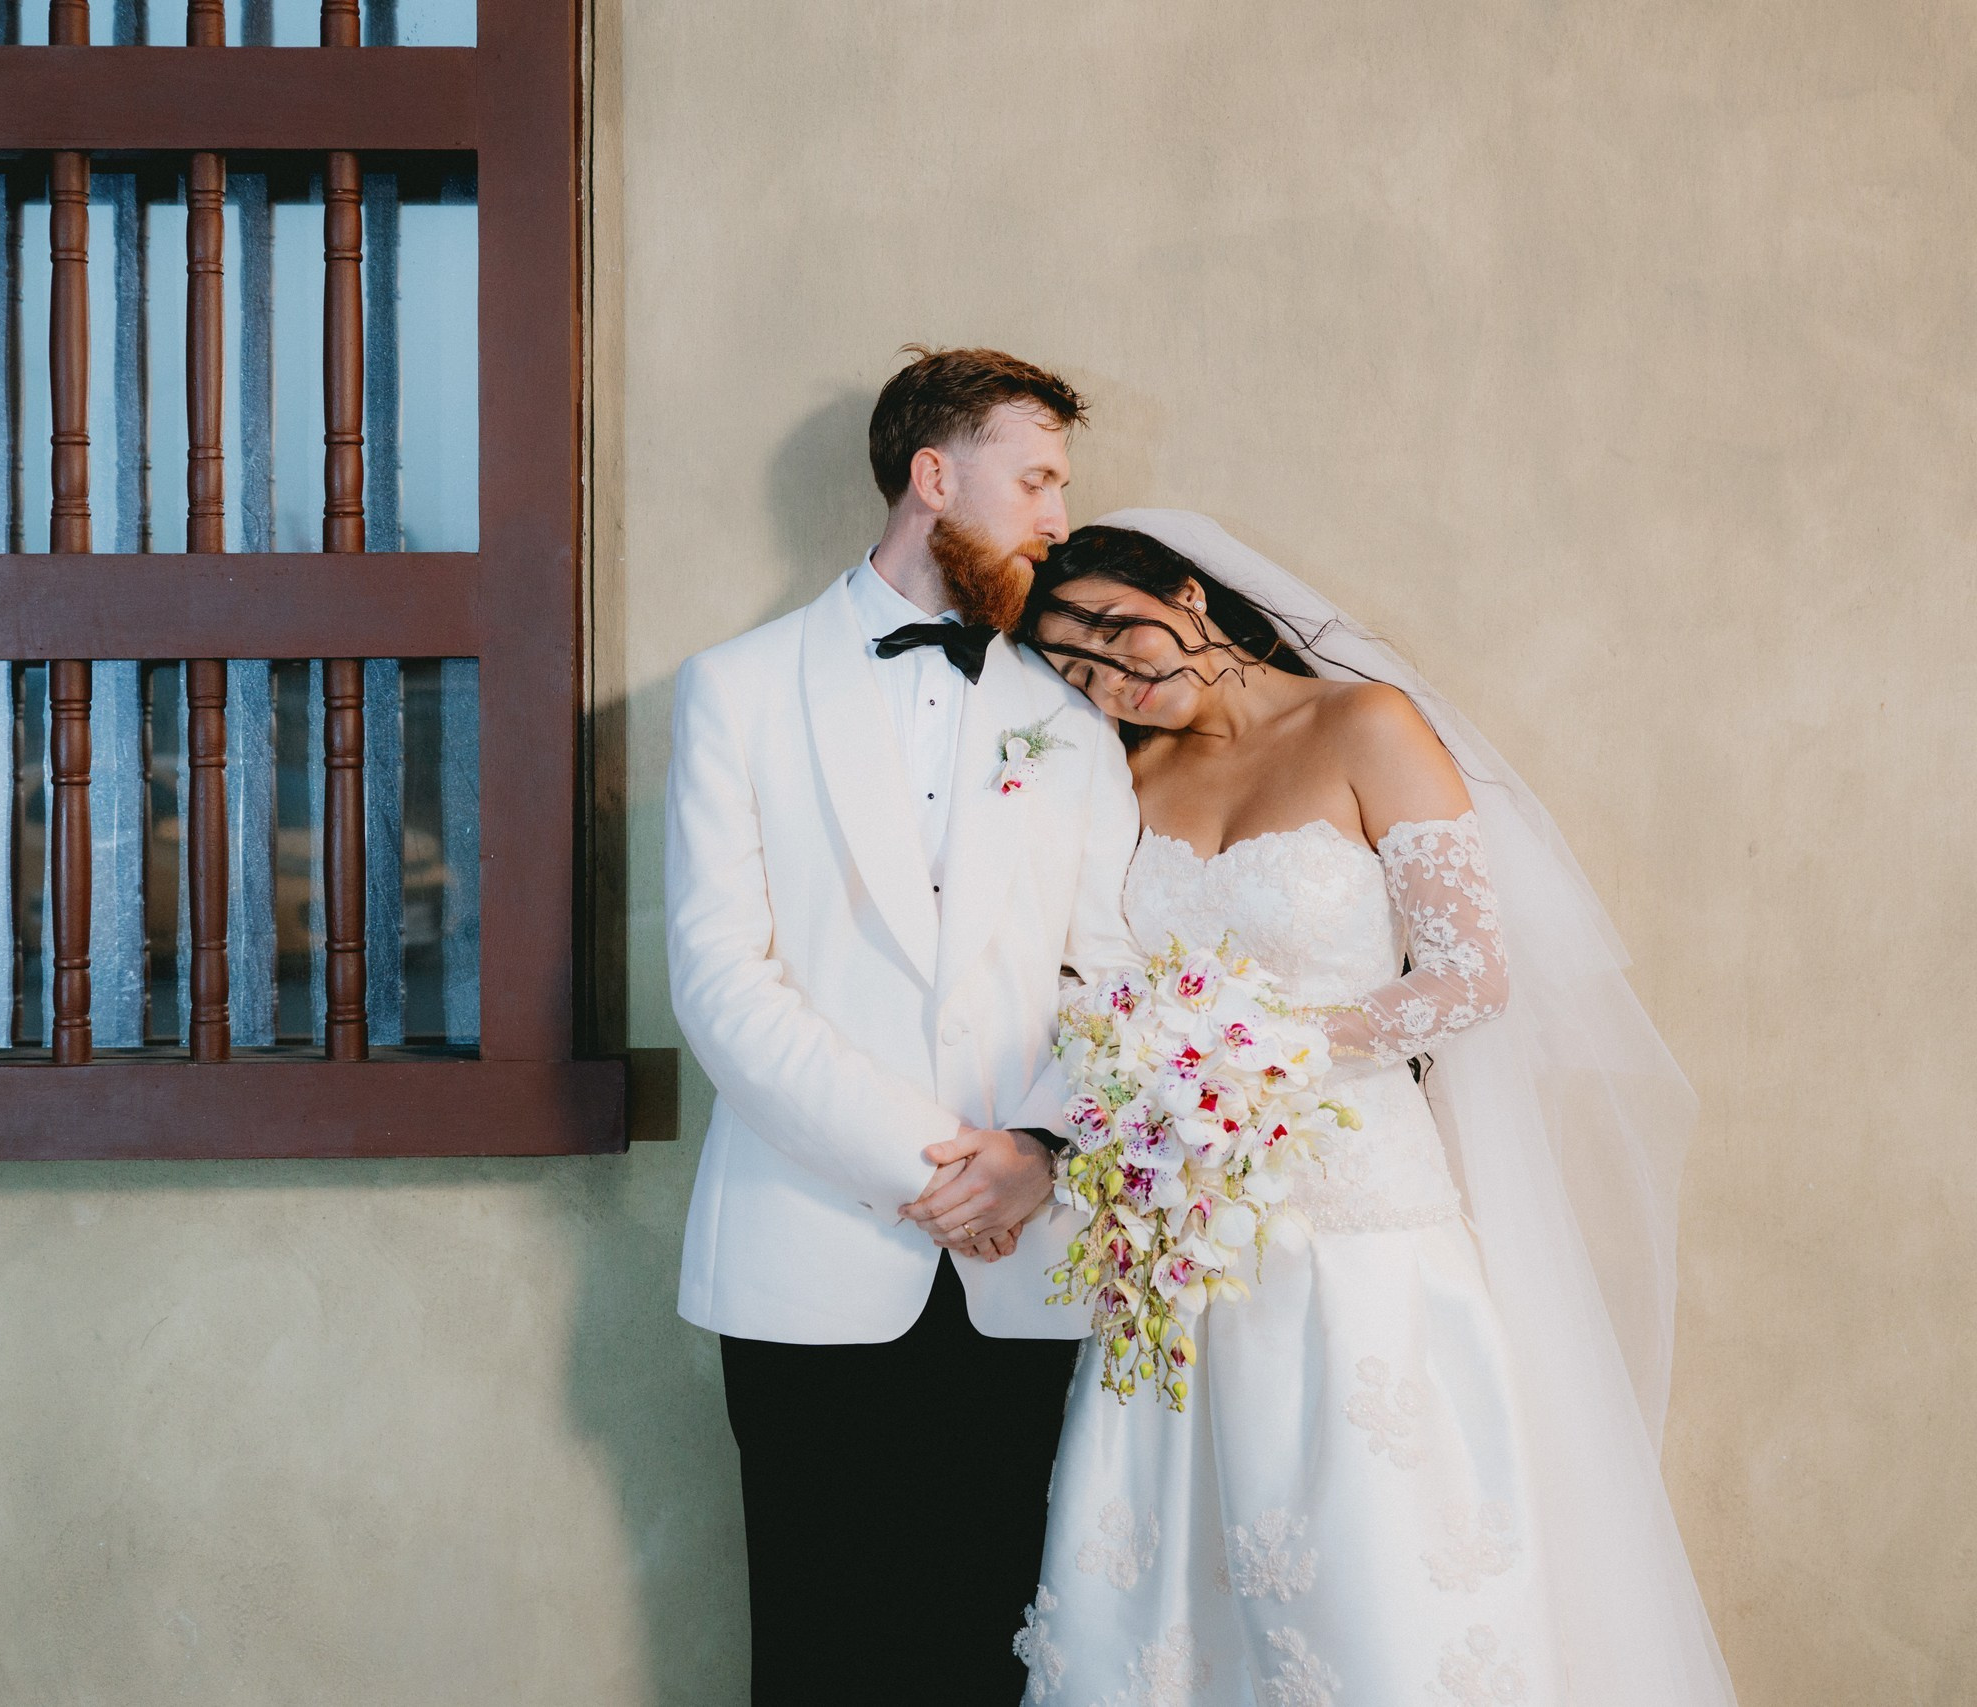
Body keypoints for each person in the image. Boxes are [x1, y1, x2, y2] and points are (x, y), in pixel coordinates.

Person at [1009, 514, 1737, 1705]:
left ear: (1185, 593)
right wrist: (1157, 1074)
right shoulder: (1123, 776)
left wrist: (1245, 1055)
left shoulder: (1365, 727)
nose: (1111, 678)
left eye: (1112, 629)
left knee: (1375, 1567)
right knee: (1174, 1589)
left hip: (1363, 1223)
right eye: (1076, 668)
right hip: (1189, 1239)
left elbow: (1468, 980)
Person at [664, 348, 1138, 1704]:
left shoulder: (1072, 722)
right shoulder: (737, 689)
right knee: (823, 1647)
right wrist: (943, 1166)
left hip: (1024, 1266)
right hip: (811, 1252)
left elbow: (1114, 979)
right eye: (1036, 478)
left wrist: (1038, 1148)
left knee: (997, 1643)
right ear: (934, 476)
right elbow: (724, 981)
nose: (1058, 518)